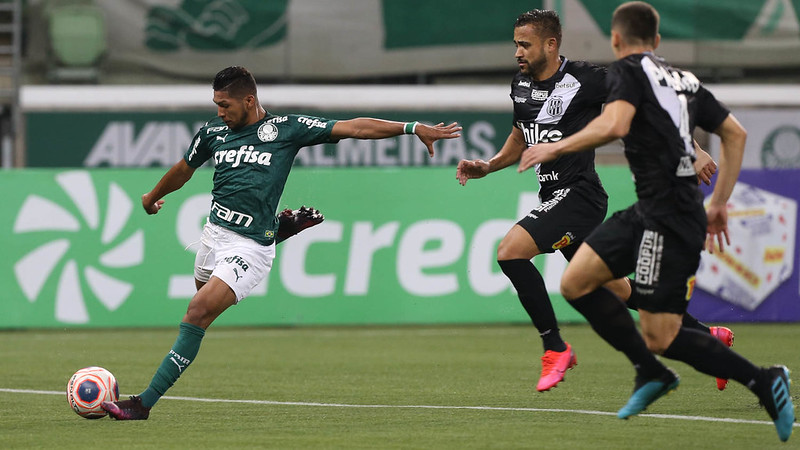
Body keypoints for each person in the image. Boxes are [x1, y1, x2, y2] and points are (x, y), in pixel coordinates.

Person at [101, 66, 462, 420]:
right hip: (213, 237)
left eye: (225, 104)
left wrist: (411, 128)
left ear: (249, 100)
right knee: (201, 303)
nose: (219, 111)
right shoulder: (212, 132)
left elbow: (355, 127)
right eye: (216, 103)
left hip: (249, 248)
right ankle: (278, 228)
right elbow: (184, 168)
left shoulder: (287, 130)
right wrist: (152, 196)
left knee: (197, 313)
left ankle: (143, 403)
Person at [518, 2, 794, 442]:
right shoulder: (681, 78)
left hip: (670, 217)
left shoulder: (628, 69)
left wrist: (555, 148)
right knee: (576, 282)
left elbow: (616, 123)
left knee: (660, 333)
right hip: (653, 209)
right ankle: (650, 372)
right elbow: (735, 134)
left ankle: (764, 381)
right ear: (658, 41)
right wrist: (719, 202)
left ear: (616, 39)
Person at [456, 9, 732, 393]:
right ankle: (710, 338)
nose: (517, 52)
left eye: (525, 44)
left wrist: (694, 148)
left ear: (551, 45)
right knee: (619, 290)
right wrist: (490, 165)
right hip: (556, 197)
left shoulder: (587, 79)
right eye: (515, 44)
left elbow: (653, 99)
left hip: (580, 195)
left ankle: (555, 348)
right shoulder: (520, 84)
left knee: (510, 251)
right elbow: (522, 134)